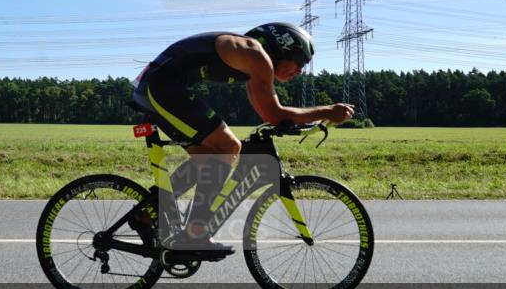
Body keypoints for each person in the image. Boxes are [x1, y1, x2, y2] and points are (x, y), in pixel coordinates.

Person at [132, 22, 355, 256]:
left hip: (159, 86)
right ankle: (195, 234)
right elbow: (274, 115)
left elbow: (268, 113)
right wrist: (327, 111)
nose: (300, 70)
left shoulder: (252, 61)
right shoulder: (255, 55)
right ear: (284, 49)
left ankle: (147, 213)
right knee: (228, 146)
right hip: (161, 88)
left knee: (207, 159)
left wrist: (297, 122)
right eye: (301, 61)